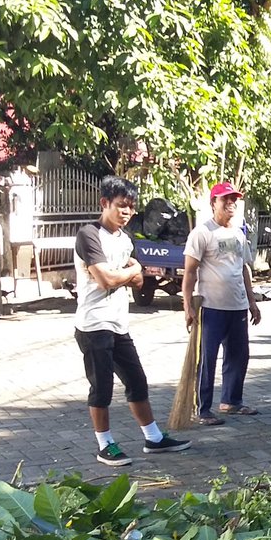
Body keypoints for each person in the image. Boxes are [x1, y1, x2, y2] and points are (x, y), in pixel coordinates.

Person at [73, 176, 191, 466]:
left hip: (118, 324)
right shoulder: (89, 235)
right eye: (120, 206)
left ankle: (153, 438)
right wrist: (129, 271)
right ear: (105, 204)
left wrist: (128, 272)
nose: (126, 212)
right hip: (93, 325)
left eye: (130, 208)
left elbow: (139, 281)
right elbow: (105, 280)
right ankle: (106, 445)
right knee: (101, 388)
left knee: (137, 382)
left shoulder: (125, 240)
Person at [182, 181, 262, 426]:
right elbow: (189, 272)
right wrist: (188, 306)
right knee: (207, 359)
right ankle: (203, 408)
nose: (230, 204)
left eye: (233, 199)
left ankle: (231, 401)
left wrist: (252, 302)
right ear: (213, 203)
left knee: (239, 356)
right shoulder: (202, 233)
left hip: (237, 306)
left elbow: (244, 269)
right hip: (211, 307)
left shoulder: (238, 233)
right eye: (225, 199)